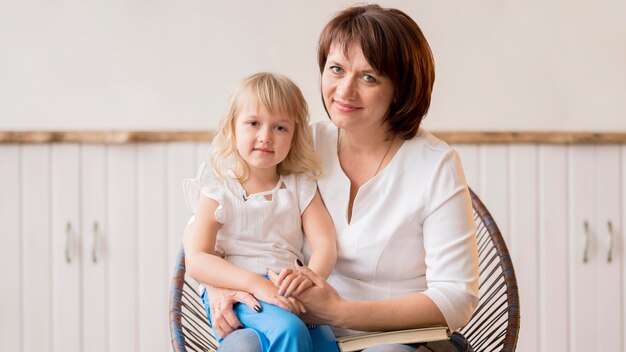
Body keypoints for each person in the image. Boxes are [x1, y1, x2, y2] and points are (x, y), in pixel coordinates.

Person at [199, 4, 480, 352]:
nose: (344, 91)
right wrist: (222, 286)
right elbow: (228, 225)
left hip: (395, 340)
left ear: (401, 90)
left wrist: (341, 311)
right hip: (296, 324)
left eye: (369, 77)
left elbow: (456, 298)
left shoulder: (436, 165)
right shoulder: (297, 143)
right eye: (336, 69)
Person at [183, 72, 339, 352]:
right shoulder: (218, 186)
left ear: (294, 136)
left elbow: (325, 244)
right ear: (233, 128)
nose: (266, 137)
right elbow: (197, 259)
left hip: (286, 288)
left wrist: (310, 276)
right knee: (288, 330)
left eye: (280, 128)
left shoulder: (299, 185)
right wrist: (255, 284)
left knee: (325, 343)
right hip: (238, 290)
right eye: (253, 123)